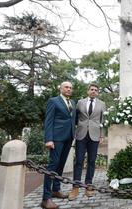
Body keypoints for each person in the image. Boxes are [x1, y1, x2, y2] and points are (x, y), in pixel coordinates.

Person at [41, 81, 76, 209]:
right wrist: (49, 139)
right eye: (66, 87)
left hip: (69, 138)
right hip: (56, 139)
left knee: (60, 166)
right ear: (60, 88)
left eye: (70, 88)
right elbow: (48, 121)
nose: (68, 89)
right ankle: (46, 198)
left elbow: (73, 119)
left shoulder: (72, 103)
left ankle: (56, 190)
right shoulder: (53, 101)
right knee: (52, 166)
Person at [68, 83, 106, 200]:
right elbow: (75, 118)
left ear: (98, 92)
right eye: (92, 89)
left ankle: (88, 186)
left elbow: (103, 120)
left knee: (92, 161)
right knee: (78, 161)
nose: (94, 91)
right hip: (81, 134)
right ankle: (76, 187)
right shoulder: (80, 102)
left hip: (94, 135)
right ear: (88, 91)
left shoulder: (102, 104)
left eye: (96, 90)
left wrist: (102, 135)